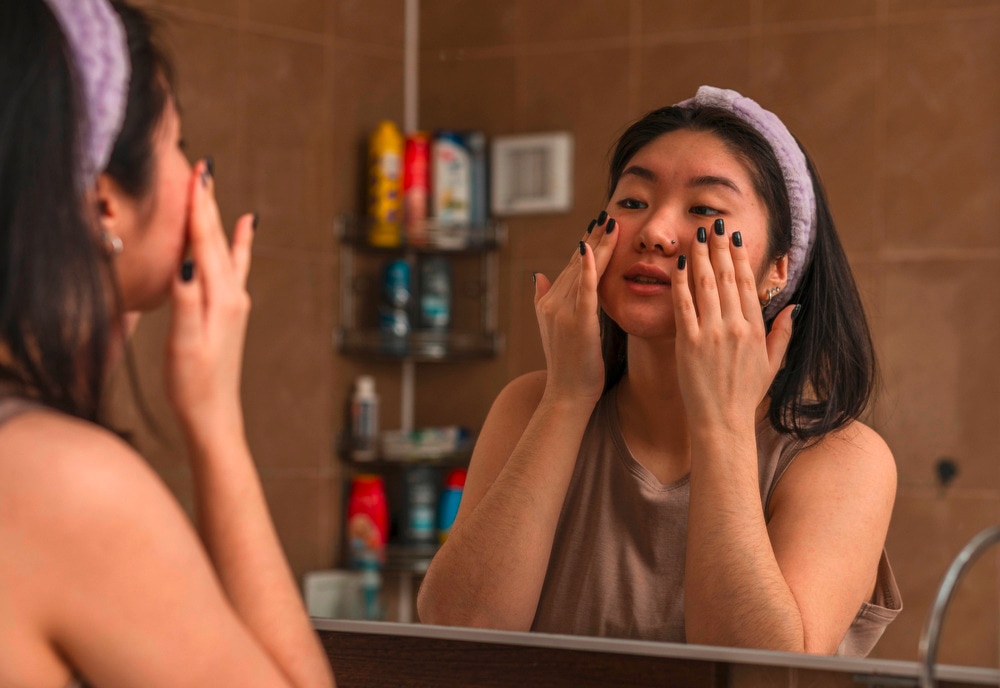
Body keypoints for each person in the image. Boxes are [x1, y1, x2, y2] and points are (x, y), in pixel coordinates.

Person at [417, 86, 901, 656]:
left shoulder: (840, 460)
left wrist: (721, 422)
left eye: (705, 211)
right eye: (632, 201)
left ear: (778, 269)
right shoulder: (529, 407)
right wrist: (566, 400)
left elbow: (762, 671)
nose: (653, 232)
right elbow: (458, 633)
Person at [0, 1, 336, 686]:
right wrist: (216, 424)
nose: (193, 178)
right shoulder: (63, 486)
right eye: (178, 143)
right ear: (103, 203)